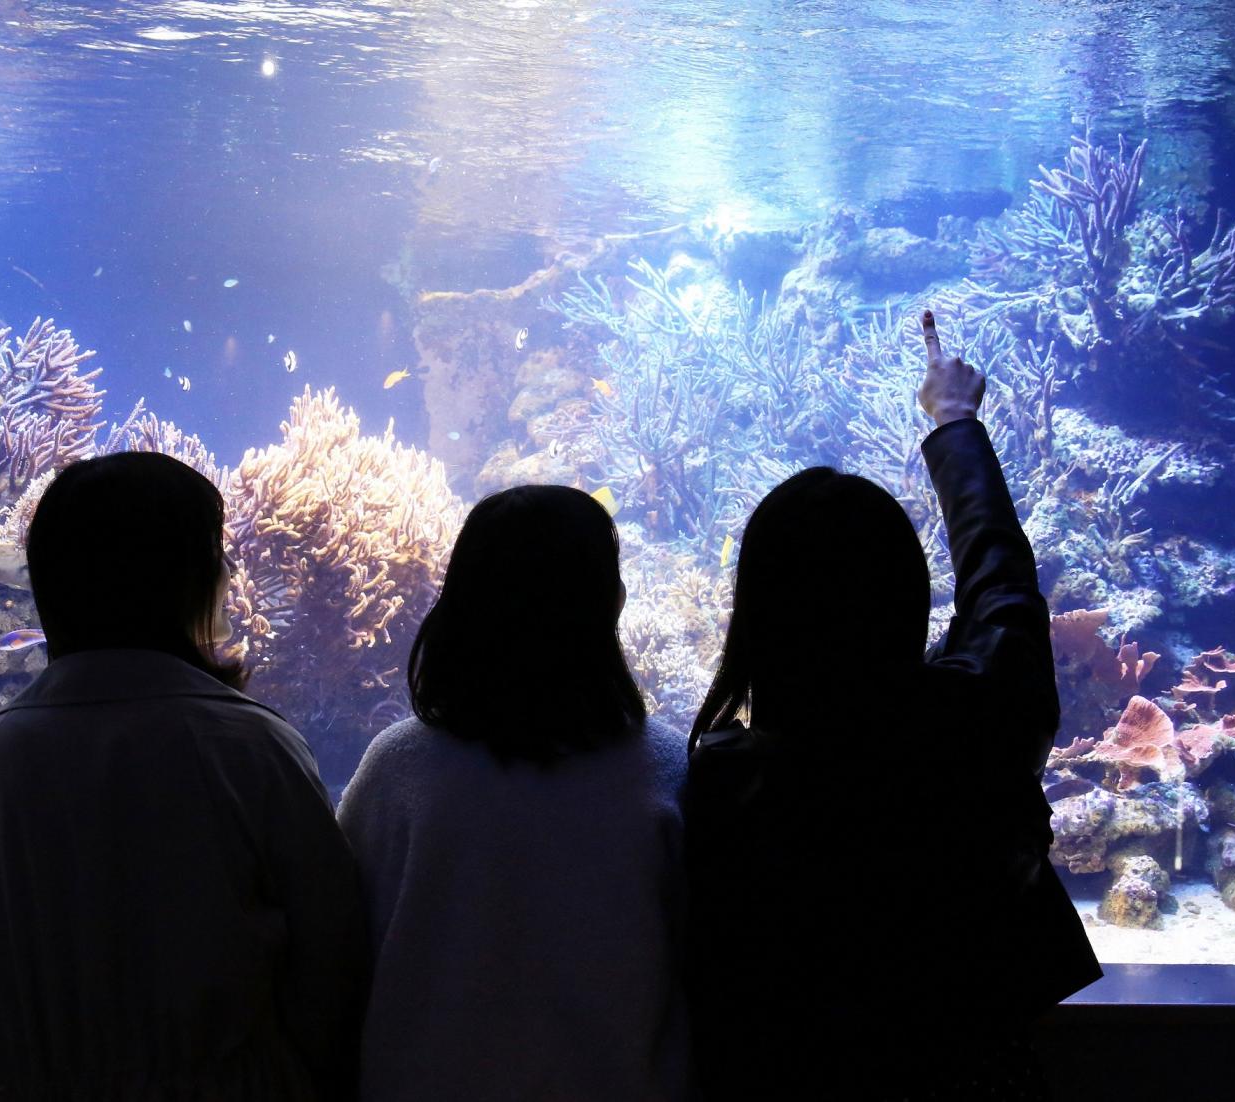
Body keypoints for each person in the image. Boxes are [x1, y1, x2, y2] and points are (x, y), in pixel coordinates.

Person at [685, 311, 1101, 1099]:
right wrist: (954, 423)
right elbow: (1003, 586)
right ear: (906, 599)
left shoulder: (722, 784)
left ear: (758, 617)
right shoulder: (973, 727)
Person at [0, 451, 366, 1101]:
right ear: (184, 580)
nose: (228, 573)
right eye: (216, 554)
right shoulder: (251, 747)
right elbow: (332, 961)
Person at [337, 485, 691, 1102]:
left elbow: (333, 964)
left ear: (462, 605)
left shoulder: (395, 772)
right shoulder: (668, 774)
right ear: (608, 603)